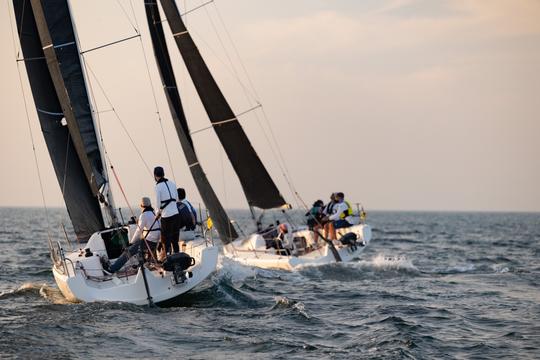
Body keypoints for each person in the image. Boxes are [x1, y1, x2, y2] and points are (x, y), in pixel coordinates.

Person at [106, 197, 160, 273]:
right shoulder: (154, 213)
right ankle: (142, 265)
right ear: (150, 205)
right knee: (139, 246)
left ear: (141, 206)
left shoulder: (143, 215)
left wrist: (131, 242)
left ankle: (112, 269)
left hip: (149, 241)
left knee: (129, 251)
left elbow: (139, 230)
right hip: (156, 240)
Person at [154, 166, 180, 254]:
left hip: (166, 216)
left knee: (166, 240)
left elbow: (158, 204)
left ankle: (168, 258)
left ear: (155, 176)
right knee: (175, 239)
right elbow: (176, 199)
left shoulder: (157, 187)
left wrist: (157, 214)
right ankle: (177, 255)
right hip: (176, 214)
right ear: (163, 174)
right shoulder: (172, 183)